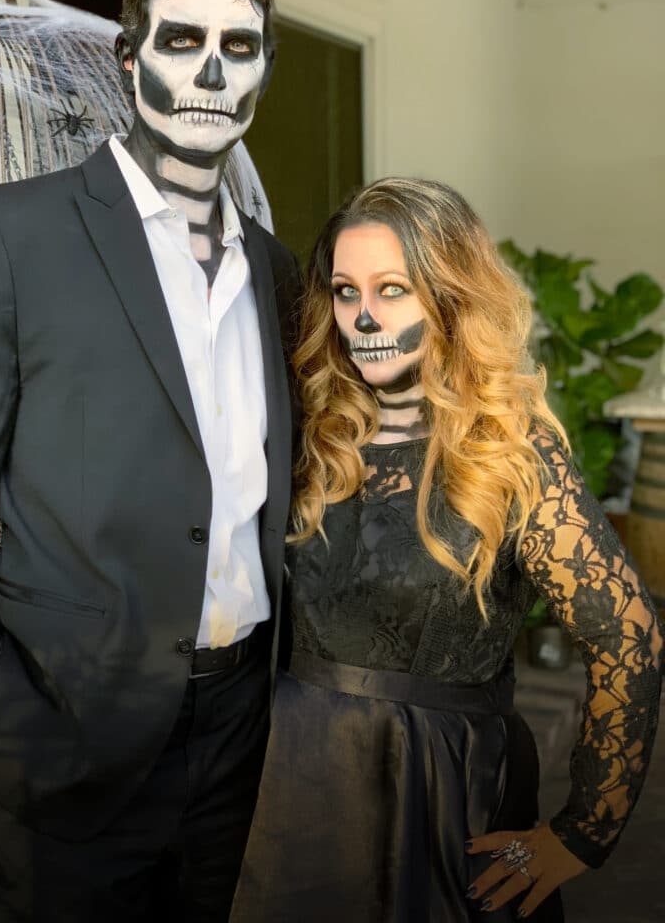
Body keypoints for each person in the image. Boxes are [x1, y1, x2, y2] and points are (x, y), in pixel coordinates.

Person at [0, 0, 301, 923]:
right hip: (60, 731)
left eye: (239, 47)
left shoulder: (279, 269)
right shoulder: (3, 236)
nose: (211, 71)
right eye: (182, 40)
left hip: (246, 728)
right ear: (131, 60)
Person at [230, 177, 663, 923]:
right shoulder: (312, 433)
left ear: (450, 295)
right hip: (293, 783)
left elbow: (630, 638)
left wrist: (581, 834)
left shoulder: (508, 450)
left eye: (393, 289)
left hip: (442, 790)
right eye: (344, 290)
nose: (363, 316)